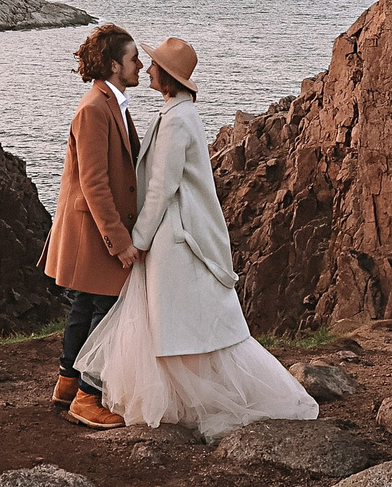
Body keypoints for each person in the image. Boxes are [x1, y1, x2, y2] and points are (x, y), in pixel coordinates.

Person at [76, 36, 318, 438]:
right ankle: (176, 397)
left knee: (178, 323)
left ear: (167, 77)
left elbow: (161, 188)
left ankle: (179, 399)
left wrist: (136, 239)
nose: (147, 69)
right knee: (178, 323)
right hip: (172, 234)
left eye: (153, 65)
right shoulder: (176, 113)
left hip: (174, 237)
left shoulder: (176, 120)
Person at [42, 22, 141, 429]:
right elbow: (95, 183)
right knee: (107, 310)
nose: (141, 65)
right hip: (95, 233)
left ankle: (67, 382)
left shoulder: (111, 103)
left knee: (84, 305)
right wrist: (120, 242)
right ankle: (88, 396)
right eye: (134, 58)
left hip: (92, 230)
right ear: (115, 65)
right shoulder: (94, 109)